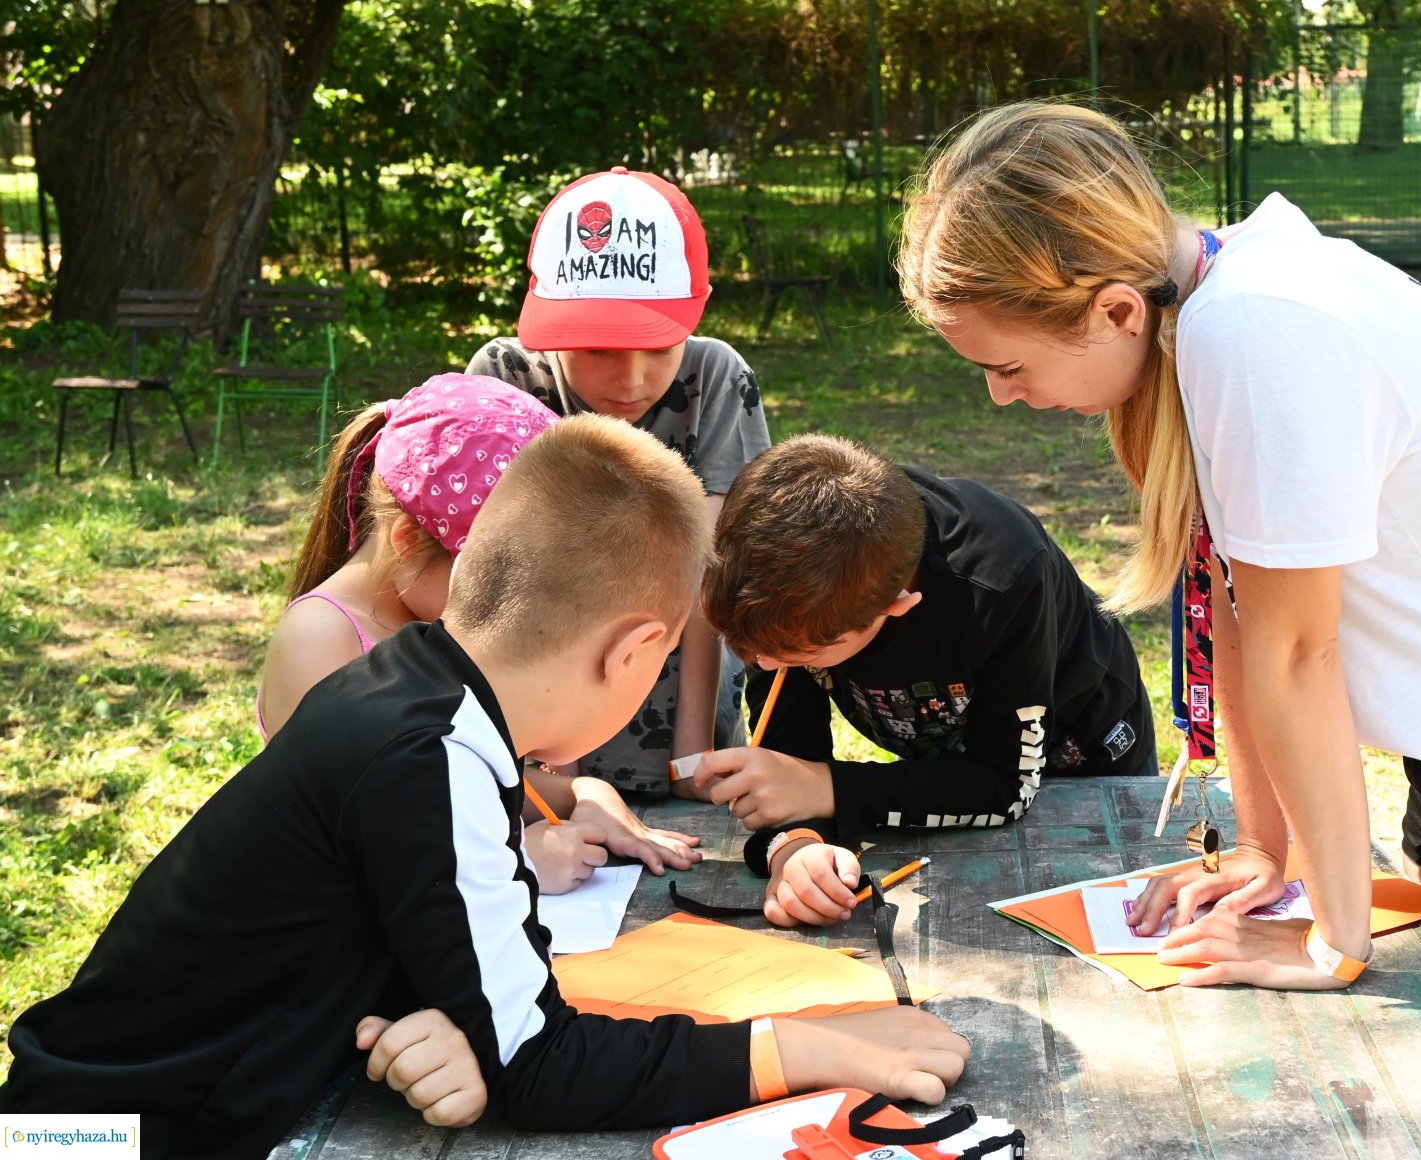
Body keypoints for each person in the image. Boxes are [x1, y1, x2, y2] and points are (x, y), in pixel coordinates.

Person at [895, 101, 1421, 1160]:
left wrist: (1333, 936)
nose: (1002, 396)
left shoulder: (1259, 327)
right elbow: (1248, 615)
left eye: (1009, 366)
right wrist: (1265, 846)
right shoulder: (1228, 299)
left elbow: (1301, 651)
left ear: (1116, 310)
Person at [0, 417, 969, 1158]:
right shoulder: (432, 755)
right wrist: (808, 1047)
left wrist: (461, 1025)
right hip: (90, 1138)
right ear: (636, 650)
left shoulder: (417, 693)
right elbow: (543, 1070)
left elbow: (471, 976)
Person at [258, 372, 698, 895]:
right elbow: (360, 853)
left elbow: (460, 783)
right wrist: (517, 865)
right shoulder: (322, 640)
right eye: (492, 572)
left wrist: (581, 792)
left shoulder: (430, 624)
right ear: (406, 542)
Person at [695, 434, 1154, 927]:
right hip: (947, 765)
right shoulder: (786, 583)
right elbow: (789, 758)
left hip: (1085, 754)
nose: (761, 664)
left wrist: (825, 787)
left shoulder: (1000, 580)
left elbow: (1004, 786)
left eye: (799, 656)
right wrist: (796, 847)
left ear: (896, 607)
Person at [467, 167, 771, 797]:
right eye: (599, 348)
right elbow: (509, 580)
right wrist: (555, 770)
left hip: (681, 721)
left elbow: (705, 572)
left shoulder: (716, 377)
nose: (631, 381)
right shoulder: (504, 378)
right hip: (534, 736)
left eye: (660, 347)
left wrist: (692, 752)